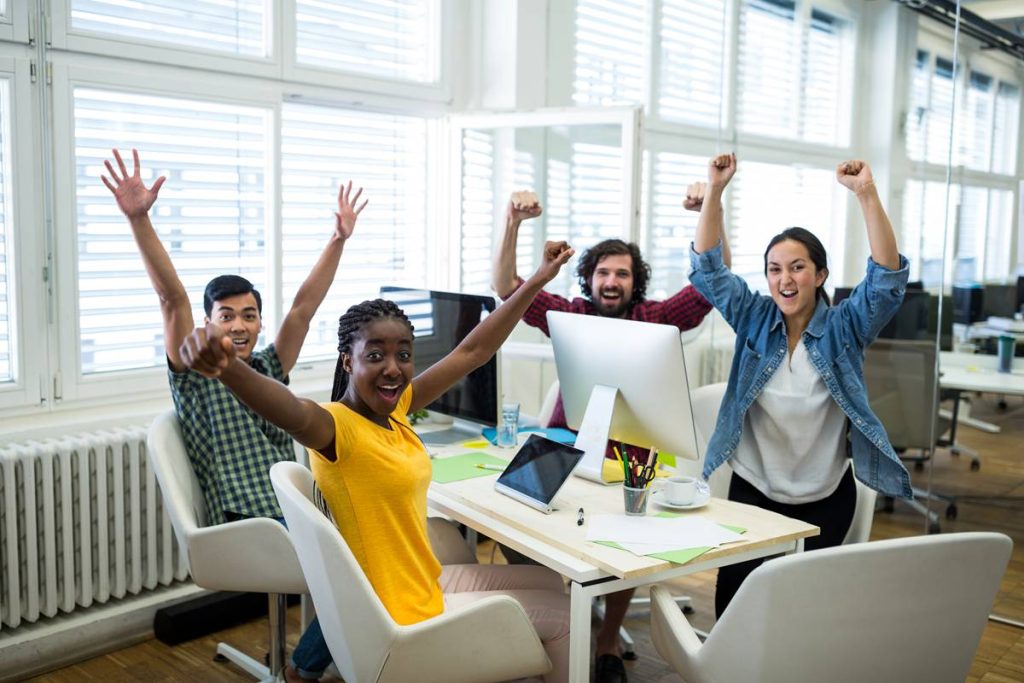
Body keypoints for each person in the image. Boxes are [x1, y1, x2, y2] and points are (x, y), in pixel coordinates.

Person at [178, 239, 579, 683]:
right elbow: (286, 408)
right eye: (375, 356)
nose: (393, 368)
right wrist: (228, 368)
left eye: (403, 355)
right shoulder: (335, 428)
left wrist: (538, 279)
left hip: (419, 582)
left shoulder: (397, 410)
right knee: (565, 618)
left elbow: (472, 352)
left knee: (548, 586)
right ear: (347, 362)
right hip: (399, 610)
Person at [101, 148, 365, 682]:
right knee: (360, 561)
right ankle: (307, 666)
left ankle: (344, 650)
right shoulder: (195, 372)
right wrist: (139, 218)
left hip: (295, 503)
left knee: (381, 537)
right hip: (250, 518)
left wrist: (338, 239)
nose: (239, 326)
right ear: (209, 322)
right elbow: (170, 295)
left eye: (249, 315)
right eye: (227, 316)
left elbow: (304, 307)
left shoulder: (268, 365)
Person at [491, 190, 728, 683]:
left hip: (633, 453)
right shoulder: (572, 312)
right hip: (563, 440)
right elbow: (507, 290)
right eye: (603, 272)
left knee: (625, 544)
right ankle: (562, 613)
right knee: (508, 518)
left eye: (622, 273)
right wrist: (512, 223)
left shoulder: (655, 318)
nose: (611, 281)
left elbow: (710, 285)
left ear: (634, 281)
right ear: (589, 278)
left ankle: (605, 642)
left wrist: (711, 210)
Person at [688, 153, 913, 618]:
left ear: (820, 275)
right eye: (774, 268)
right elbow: (709, 272)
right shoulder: (753, 317)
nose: (784, 279)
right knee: (736, 608)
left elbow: (887, 281)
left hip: (825, 497)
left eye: (797, 267)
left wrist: (866, 194)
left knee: (805, 615)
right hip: (753, 492)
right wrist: (715, 189)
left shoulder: (845, 327)